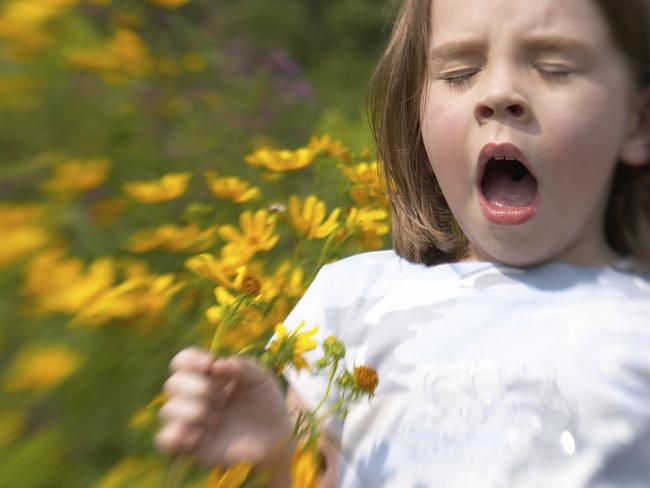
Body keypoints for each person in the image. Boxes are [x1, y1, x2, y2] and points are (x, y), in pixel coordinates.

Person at [155, 0, 650, 485]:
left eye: (554, 66)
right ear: (417, 111)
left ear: (638, 120)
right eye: (459, 73)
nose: (498, 93)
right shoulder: (352, 298)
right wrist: (274, 460)